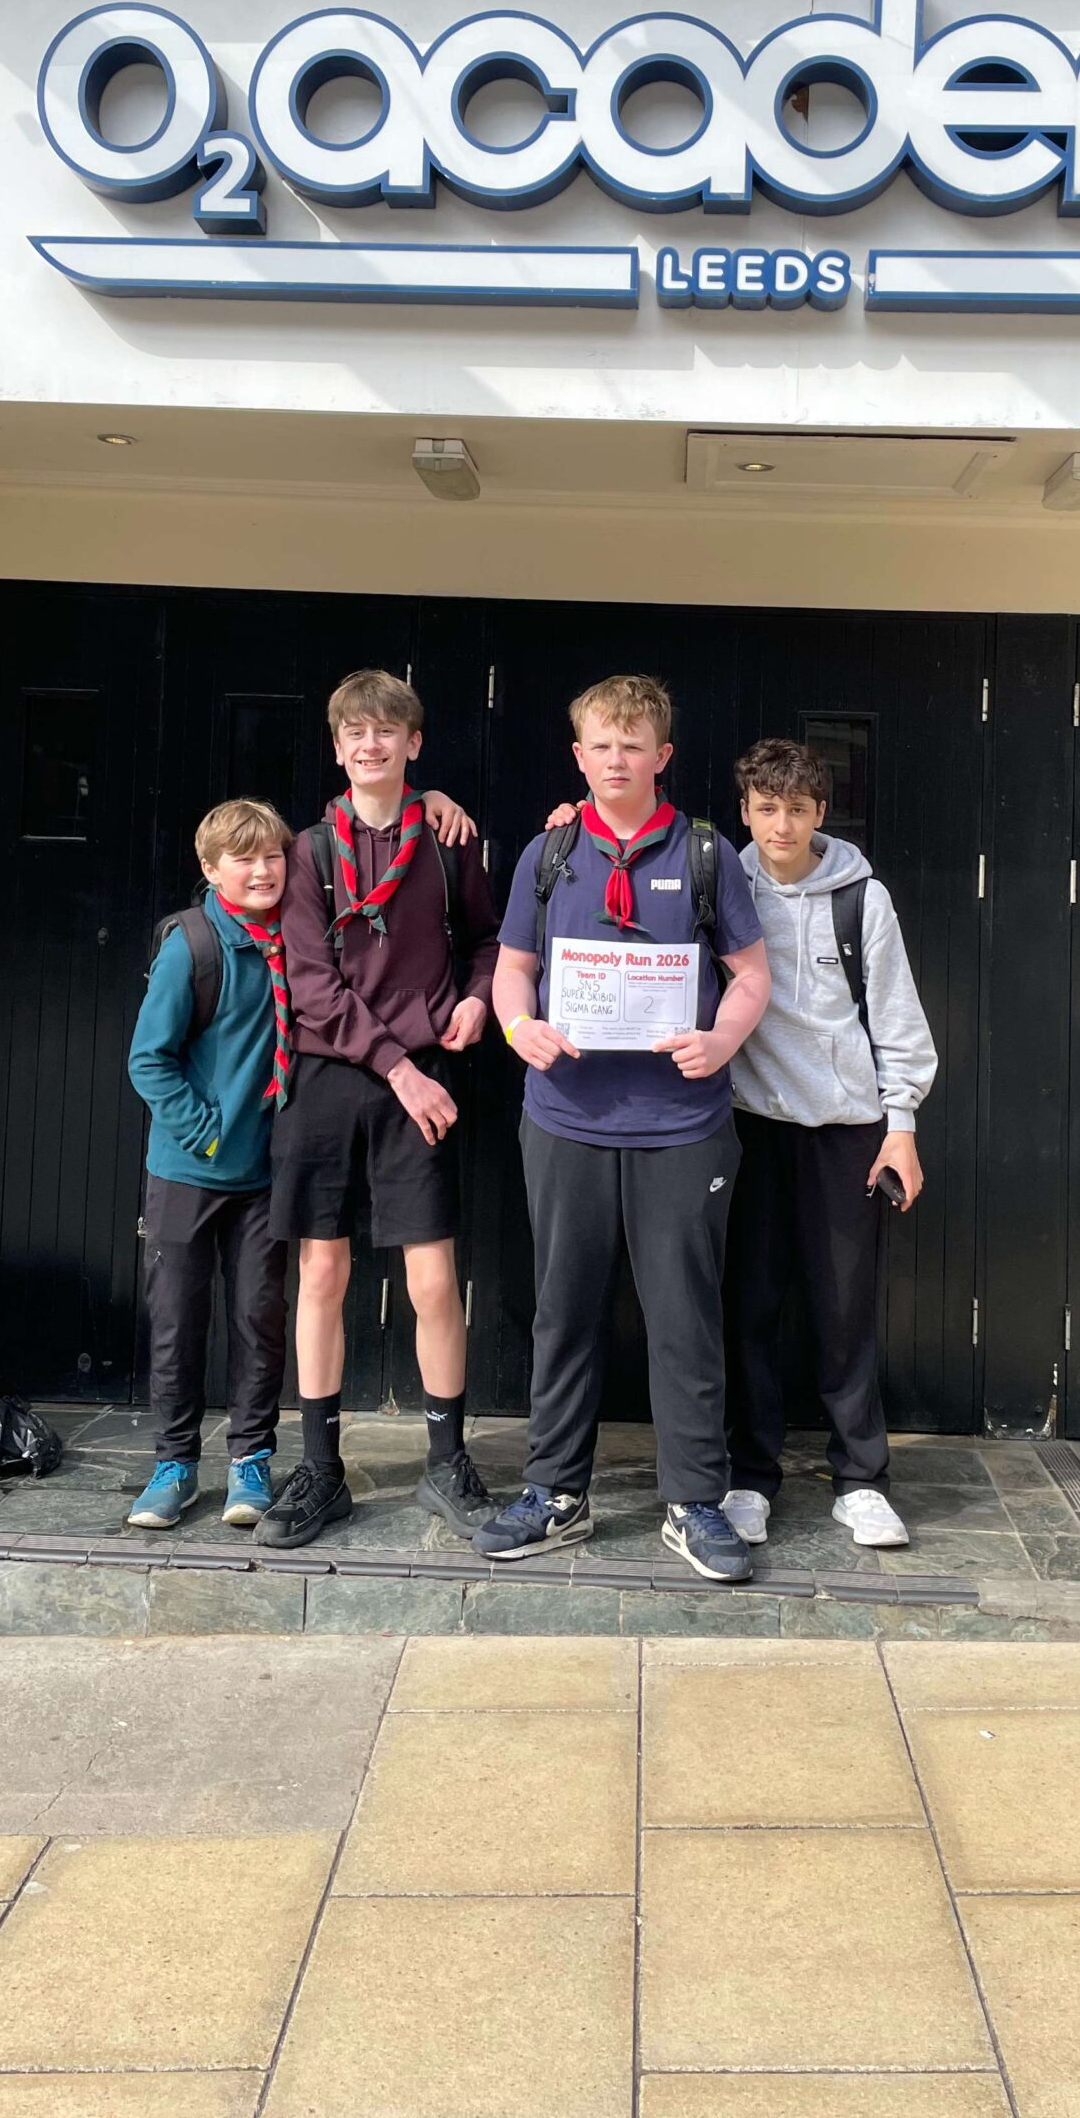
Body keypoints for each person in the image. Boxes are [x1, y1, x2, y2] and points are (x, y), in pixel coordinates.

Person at [474, 673, 772, 1583]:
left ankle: (695, 1501)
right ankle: (555, 1492)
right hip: (566, 1116)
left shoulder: (710, 853)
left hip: (681, 1123)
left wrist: (721, 1040)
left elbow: (753, 975)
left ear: (662, 756)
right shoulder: (549, 852)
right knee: (563, 1310)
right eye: (601, 745)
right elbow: (513, 968)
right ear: (579, 756)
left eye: (632, 745)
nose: (616, 760)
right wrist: (519, 1029)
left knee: (685, 1316)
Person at [256, 670, 501, 1549]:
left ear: (413, 743)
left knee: (432, 1279)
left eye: (387, 730)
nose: (372, 744)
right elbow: (313, 987)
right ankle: (320, 1469)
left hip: (423, 1070)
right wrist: (400, 1069)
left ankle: (446, 1462)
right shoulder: (306, 852)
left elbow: (487, 939)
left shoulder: (447, 840)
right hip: (336, 1076)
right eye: (355, 732)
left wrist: (478, 997)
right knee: (322, 1274)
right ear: (336, 748)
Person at [718, 737, 938, 1550]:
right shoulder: (721, 885)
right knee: (749, 1309)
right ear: (745, 811)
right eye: (766, 808)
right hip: (747, 1126)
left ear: (821, 813)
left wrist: (901, 1127)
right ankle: (750, 1476)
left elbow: (898, 1018)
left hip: (847, 1131)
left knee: (846, 1312)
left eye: (798, 809)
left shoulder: (861, 898)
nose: (782, 825)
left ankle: (861, 1481)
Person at [124, 797, 298, 1530]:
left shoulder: (300, 938)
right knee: (177, 1322)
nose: (262, 871)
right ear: (210, 868)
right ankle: (173, 1465)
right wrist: (208, 1134)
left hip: (267, 1175)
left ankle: (251, 1459)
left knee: (259, 1319)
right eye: (243, 858)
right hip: (189, 1170)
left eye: (273, 855)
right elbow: (149, 1060)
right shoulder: (192, 946)